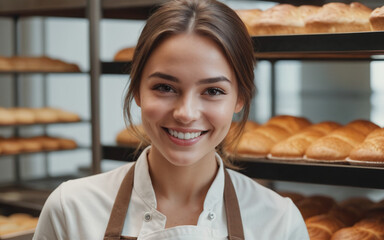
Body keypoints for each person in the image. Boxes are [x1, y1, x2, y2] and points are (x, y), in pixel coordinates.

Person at [33, 0, 309, 239]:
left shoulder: (279, 222)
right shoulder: (71, 209)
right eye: (165, 87)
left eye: (213, 91)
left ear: (240, 99)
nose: (186, 113)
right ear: (137, 90)